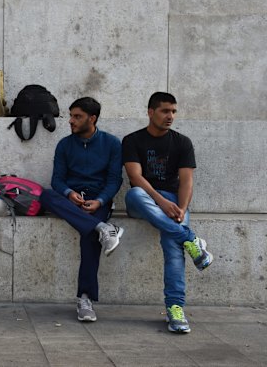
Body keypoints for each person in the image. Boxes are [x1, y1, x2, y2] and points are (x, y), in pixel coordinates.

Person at [122, 92, 213, 334]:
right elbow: (135, 178)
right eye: (165, 111)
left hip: (173, 202)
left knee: (173, 249)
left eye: (173, 111)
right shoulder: (132, 140)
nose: (170, 116)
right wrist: (161, 202)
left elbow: (186, 182)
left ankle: (175, 308)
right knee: (133, 194)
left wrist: (181, 209)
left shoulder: (182, 142)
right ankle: (190, 239)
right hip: (144, 200)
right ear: (151, 112)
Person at [40, 97, 124, 322]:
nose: (71, 121)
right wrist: (69, 193)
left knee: (89, 238)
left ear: (92, 118)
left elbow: (115, 180)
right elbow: (57, 179)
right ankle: (104, 228)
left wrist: (100, 200)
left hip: (98, 200)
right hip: (71, 199)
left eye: (77, 116)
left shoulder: (112, 144)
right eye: (71, 116)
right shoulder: (65, 145)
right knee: (46, 195)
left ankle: (84, 298)